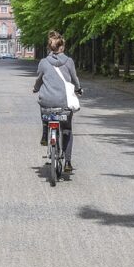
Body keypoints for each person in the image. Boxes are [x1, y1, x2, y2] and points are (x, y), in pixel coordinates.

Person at [32, 30, 82, 173]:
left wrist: (36, 89)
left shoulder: (43, 62)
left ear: (49, 48)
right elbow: (74, 79)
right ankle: (67, 162)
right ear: (62, 47)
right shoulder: (69, 61)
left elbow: (39, 80)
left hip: (47, 104)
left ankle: (45, 133)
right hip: (64, 104)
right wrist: (78, 89)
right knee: (67, 129)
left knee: (44, 107)